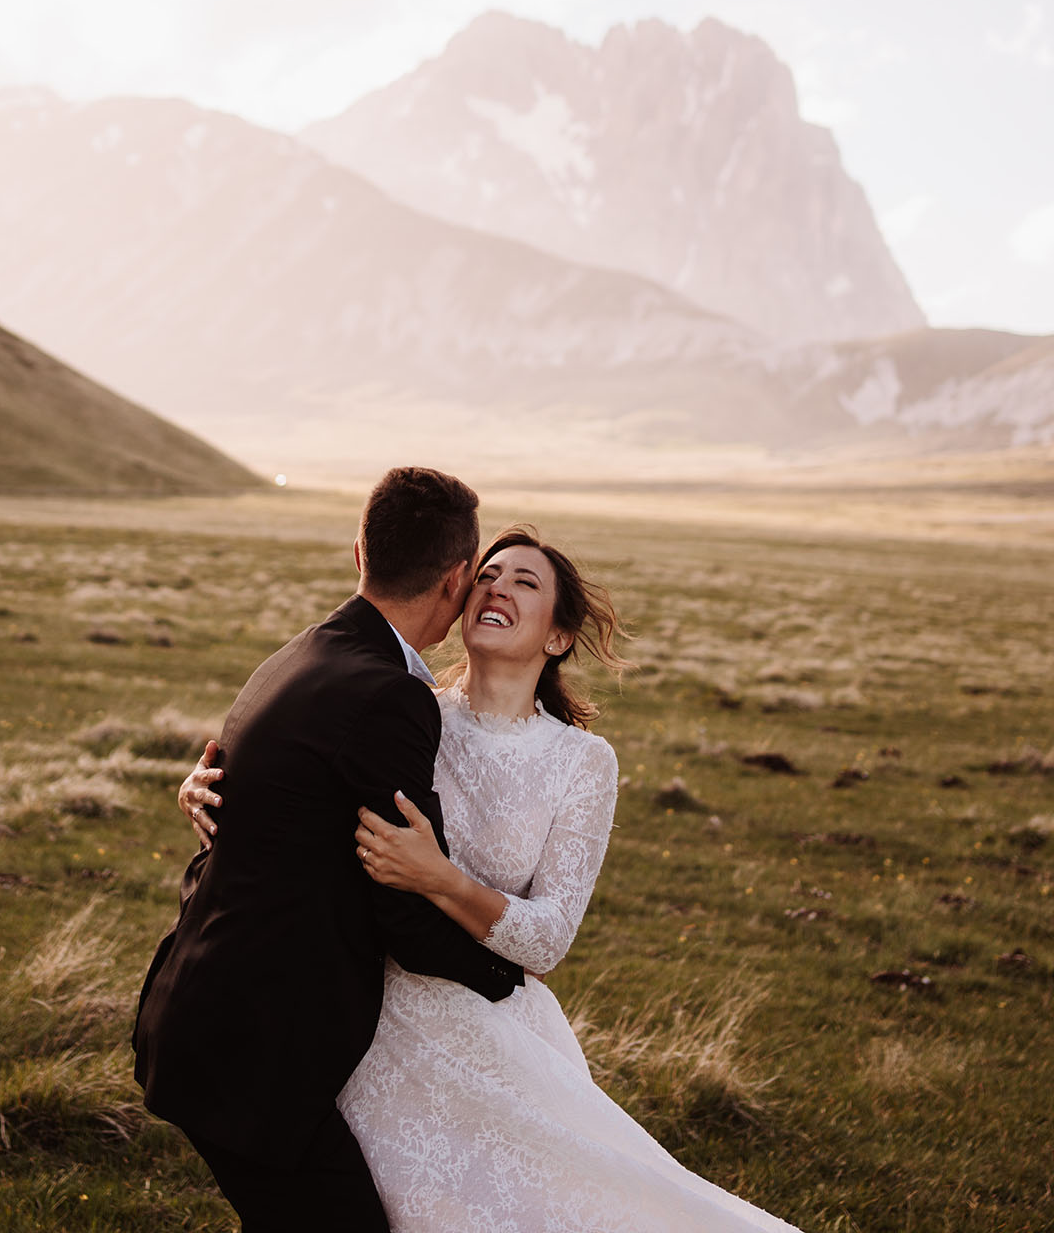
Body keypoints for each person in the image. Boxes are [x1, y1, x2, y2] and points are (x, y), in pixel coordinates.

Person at [181, 524, 803, 1233]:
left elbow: (547, 940)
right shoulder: (403, 707)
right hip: (363, 1023)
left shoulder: (582, 763)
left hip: (489, 1032)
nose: (497, 587)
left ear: (559, 637)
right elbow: (296, 782)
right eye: (487, 575)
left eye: (525, 582)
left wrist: (442, 881)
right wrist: (204, 787)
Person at [132, 467, 524, 1233]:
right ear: (455, 581)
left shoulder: (301, 652)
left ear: (359, 554)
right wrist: (506, 973)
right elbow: (400, 898)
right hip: (252, 1051)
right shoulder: (390, 694)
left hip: (202, 1016)